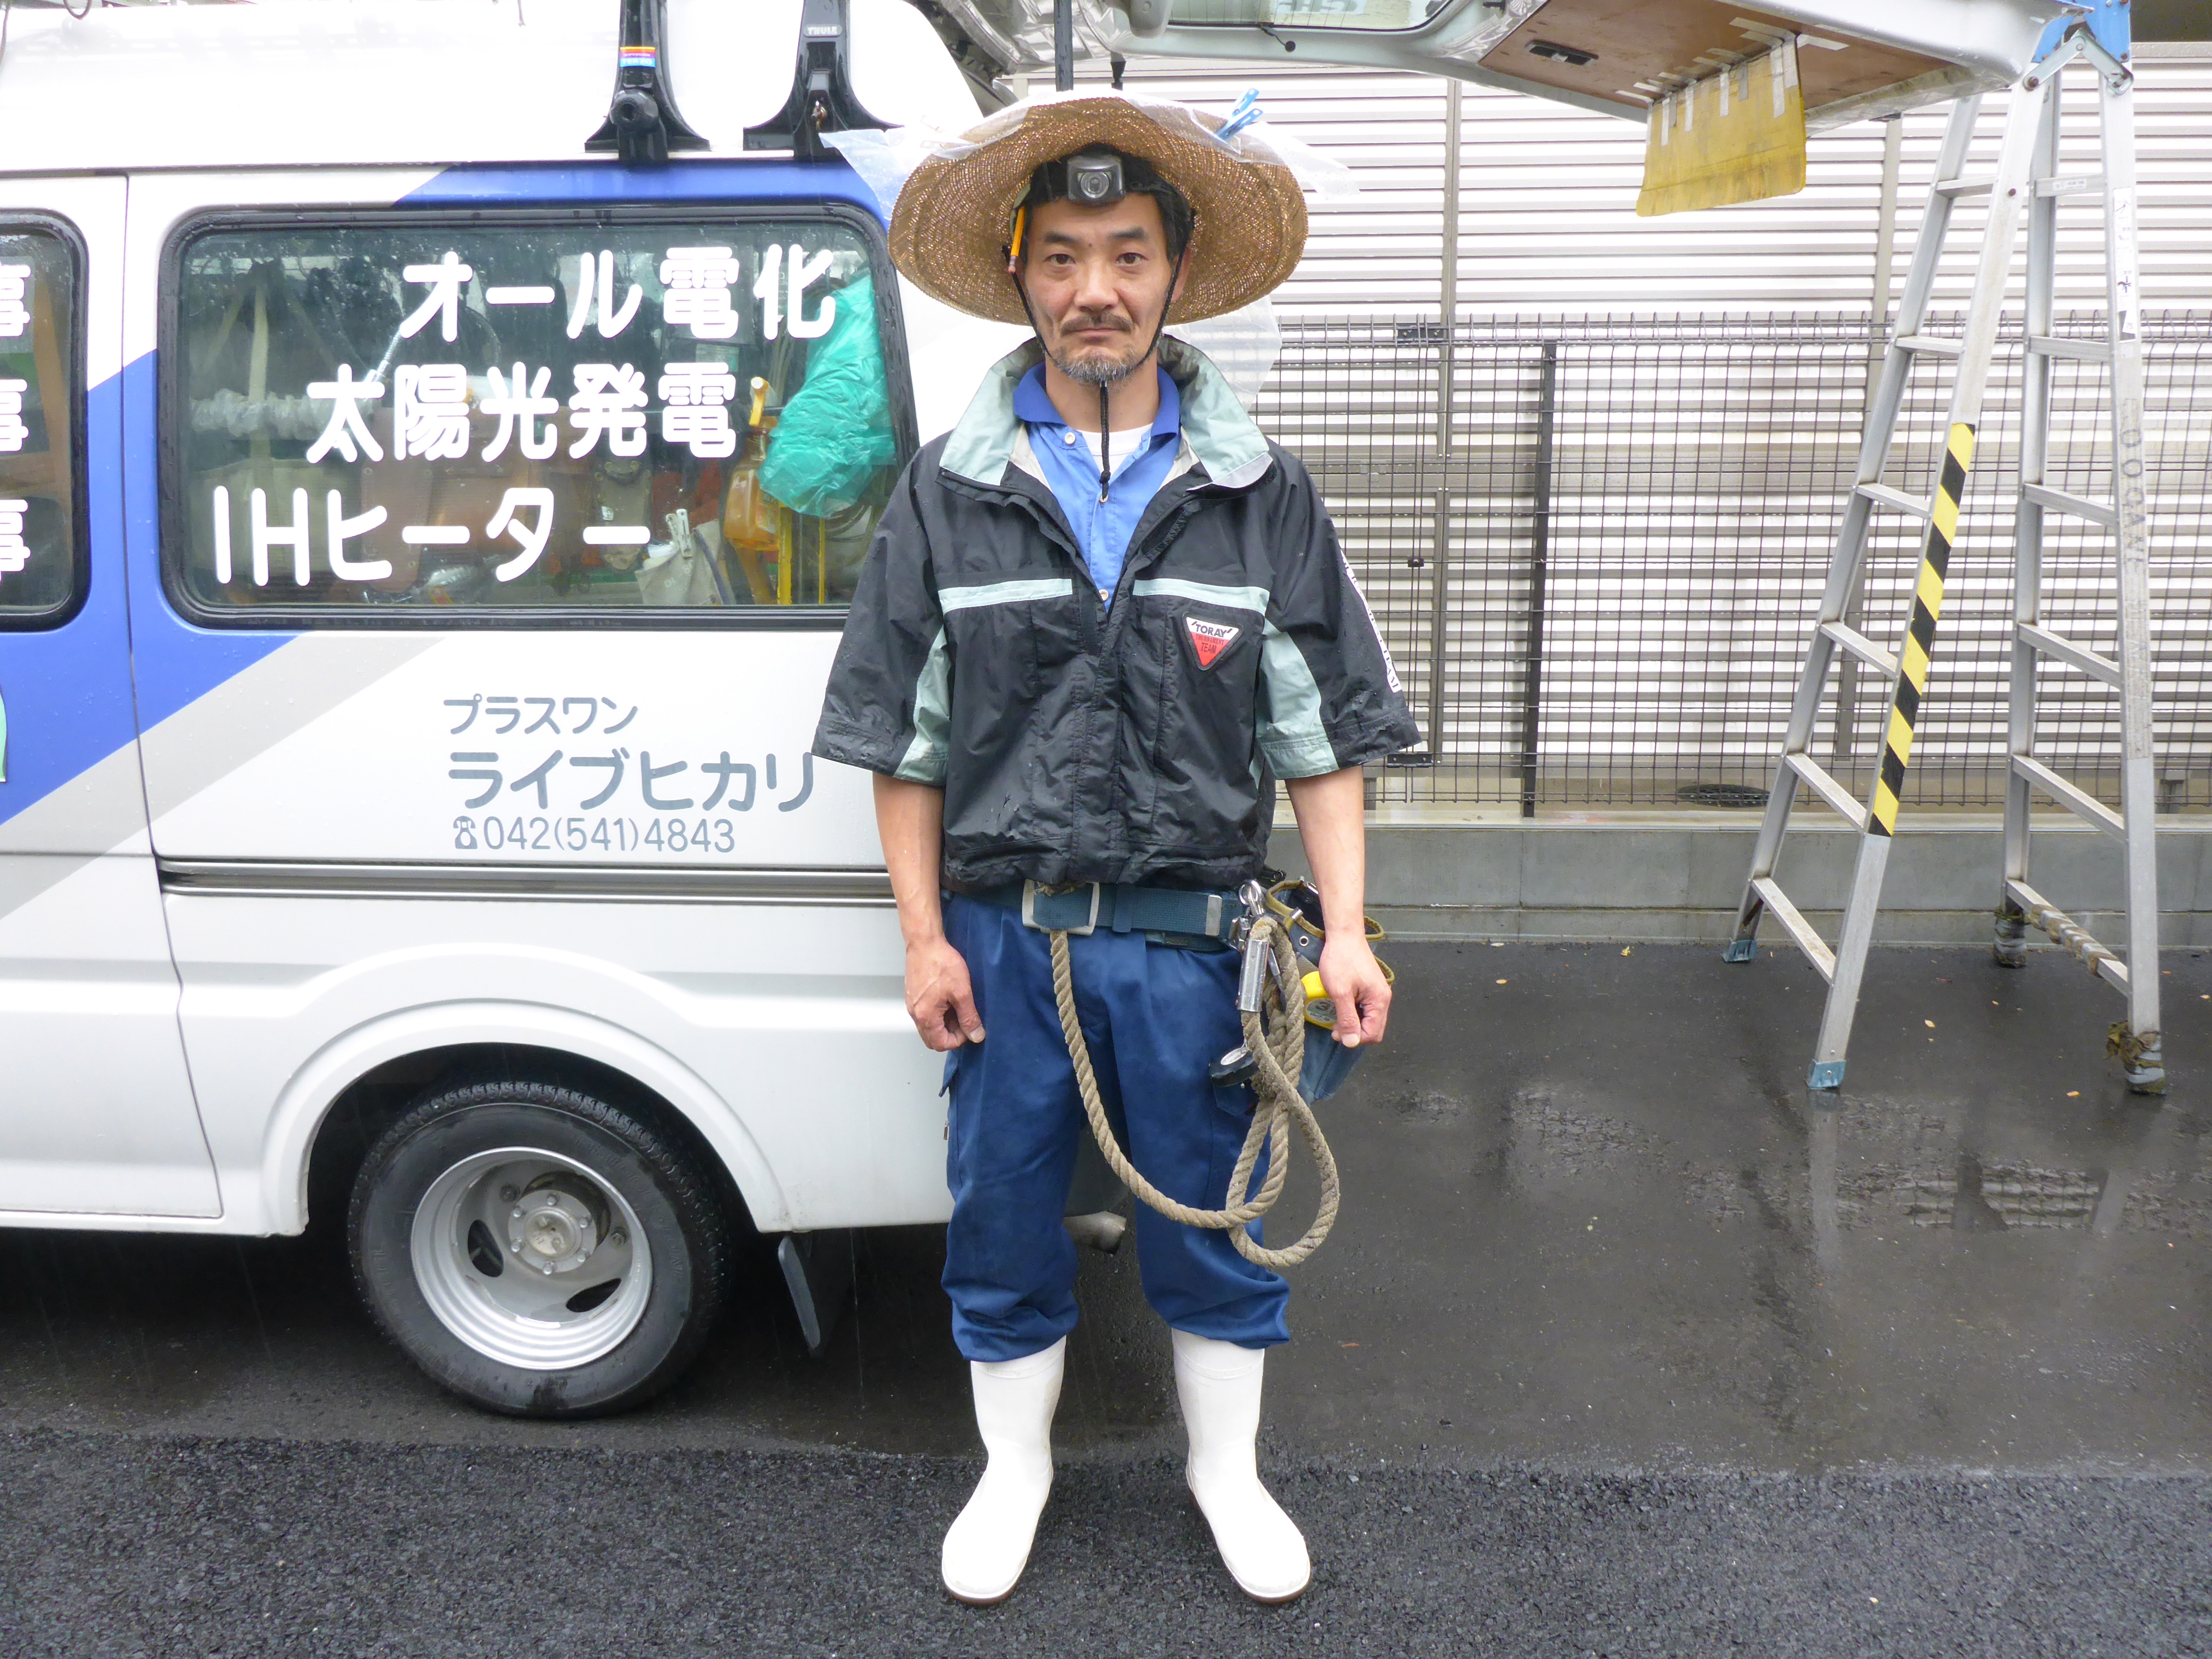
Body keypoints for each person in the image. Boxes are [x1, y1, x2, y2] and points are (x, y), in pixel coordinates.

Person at [812, 92, 1419, 1606]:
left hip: (1193, 940)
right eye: (1067, 256)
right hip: (1004, 936)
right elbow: (905, 744)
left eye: (1130, 255)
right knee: (1002, 1205)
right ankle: (1013, 1468)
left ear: (1177, 272)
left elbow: (1321, 735)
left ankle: (1229, 1472)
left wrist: (1347, 930)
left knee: (1214, 1206)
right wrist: (923, 940)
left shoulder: (1260, 494)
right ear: (1021, 273)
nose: (1098, 288)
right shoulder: (947, 494)